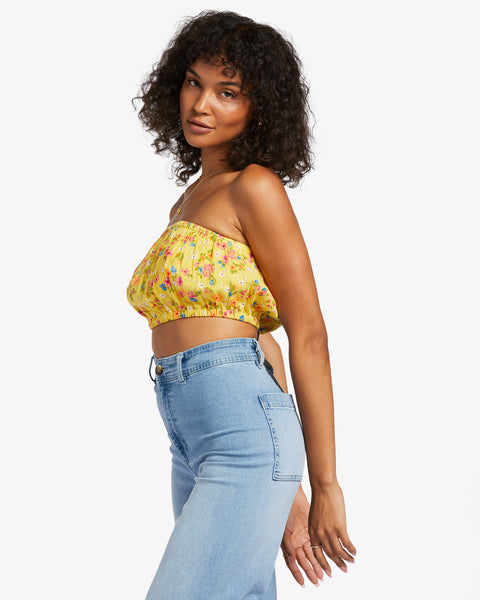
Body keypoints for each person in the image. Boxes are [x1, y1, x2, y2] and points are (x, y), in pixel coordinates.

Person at [126, 10, 356, 600]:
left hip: (241, 437)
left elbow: (308, 334)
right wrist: (286, 488)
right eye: (194, 82)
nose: (201, 104)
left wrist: (324, 484)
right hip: (192, 435)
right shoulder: (188, 201)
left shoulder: (254, 186)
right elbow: (261, 339)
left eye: (227, 92)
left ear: (260, 108)